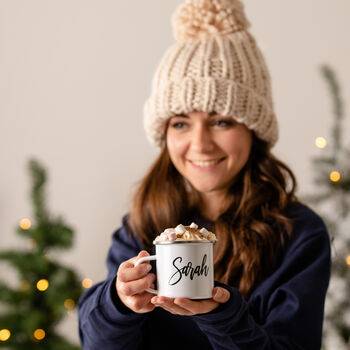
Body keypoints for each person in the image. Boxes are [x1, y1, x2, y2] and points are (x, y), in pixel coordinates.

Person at [78, 0, 331, 349]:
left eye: (221, 121)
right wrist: (118, 302)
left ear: (253, 130)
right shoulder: (141, 224)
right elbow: (97, 344)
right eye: (180, 123)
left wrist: (223, 317)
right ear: (164, 136)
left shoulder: (298, 234)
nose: (200, 144)